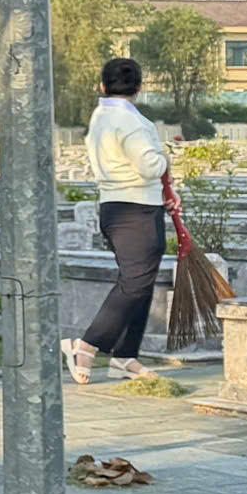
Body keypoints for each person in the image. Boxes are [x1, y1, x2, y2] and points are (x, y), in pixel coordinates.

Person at [68, 57, 169, 384]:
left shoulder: (101, 116)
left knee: (139, 284)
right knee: (136, 284)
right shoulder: (130, 122)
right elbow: (149, 167)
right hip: (135, 209)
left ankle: (125, 356)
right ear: (139, 88)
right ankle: (87, 345)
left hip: (116, 207)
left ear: (102, 86)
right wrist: (166, 157)